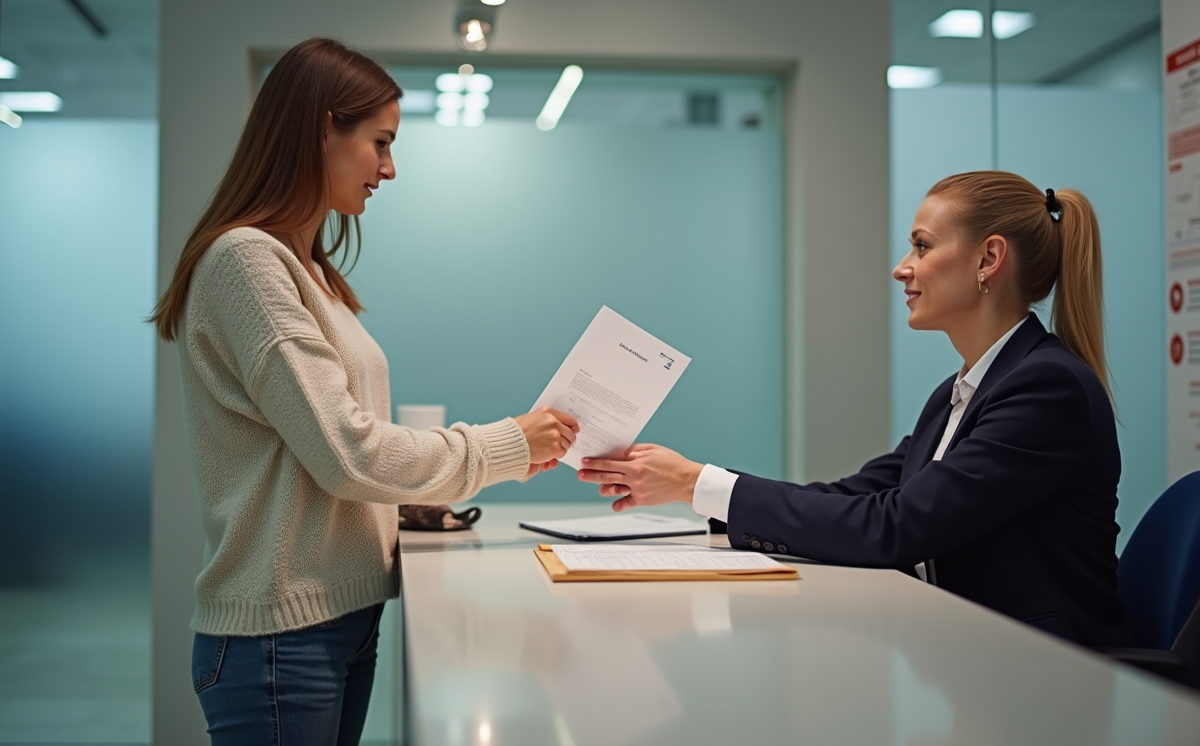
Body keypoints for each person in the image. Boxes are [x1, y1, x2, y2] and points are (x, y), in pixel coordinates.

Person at [149, 38, 578, 745]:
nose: (390, 168)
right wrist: (502, 444)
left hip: (336, 620)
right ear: (323, 129)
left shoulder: (305, 268)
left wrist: (420, 492)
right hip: (279, 636)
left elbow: (316, 448)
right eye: (379, 143)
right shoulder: (246, 262)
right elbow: (348, 452)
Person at [578, 170, 1127, 648]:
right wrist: (695, 488)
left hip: (1043, 676)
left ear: (988, 258)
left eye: (922, 247)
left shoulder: (1048, 389)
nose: (901, 268)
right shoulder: (957, 393)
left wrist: (699, 483)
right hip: (964, 651)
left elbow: (897, 527)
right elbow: (856, 498)